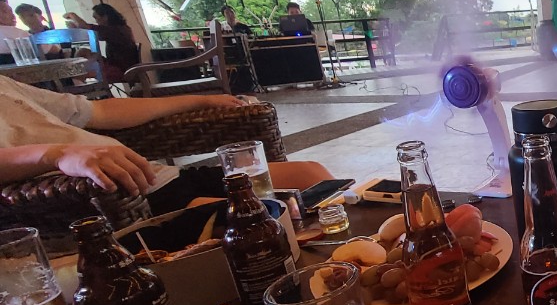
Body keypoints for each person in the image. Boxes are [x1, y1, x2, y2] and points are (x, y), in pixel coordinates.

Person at [0, 75, 330, 211]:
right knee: (274, 216)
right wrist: (57, 154)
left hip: (157, 177)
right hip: (119, 200)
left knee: (311, 176)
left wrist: (200, 100)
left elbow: (99, 112)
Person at [78, 3, 141, 84]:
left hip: (121, 70)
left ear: (105, 17)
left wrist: (72, 15)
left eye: (96, 18)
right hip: (118, 65)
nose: (96, 21)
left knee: (86, 66)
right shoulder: (120, 28)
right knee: (83, 52)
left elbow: (88, 28)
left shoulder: (115, 30)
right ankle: (80, 81)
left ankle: (79, 83)